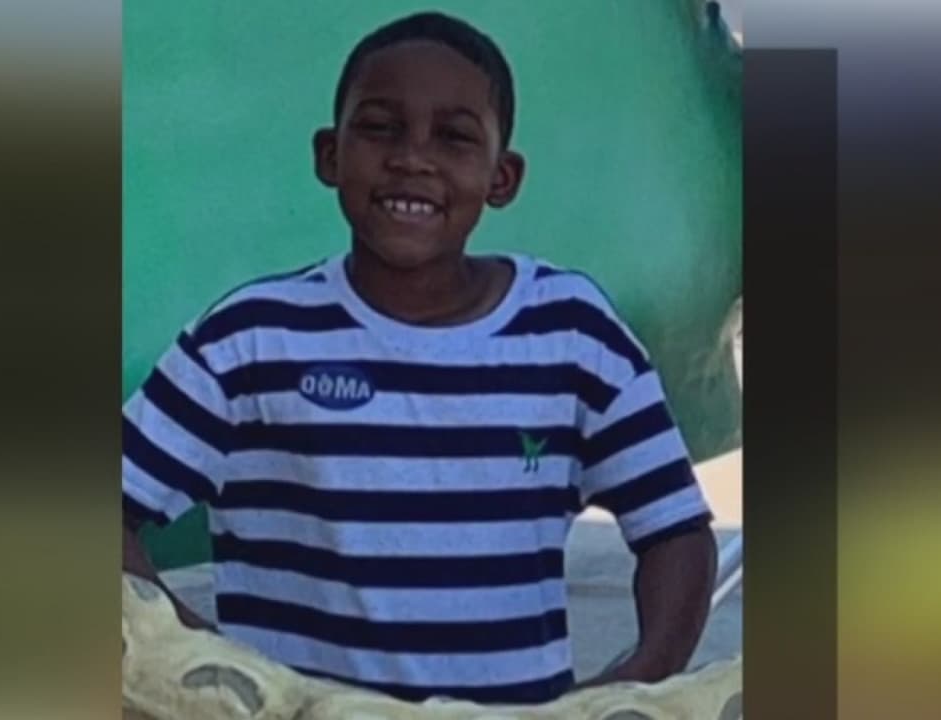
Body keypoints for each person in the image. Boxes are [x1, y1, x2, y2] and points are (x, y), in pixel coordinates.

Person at [122, 10, 717, 705]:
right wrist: (199, 665)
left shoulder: (572, 334)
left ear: (502, 177)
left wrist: (630, 688)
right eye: (380, 127)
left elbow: (675, 531)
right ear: (329, 155)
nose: (413, 158)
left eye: (455, 137)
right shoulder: (250, 340)